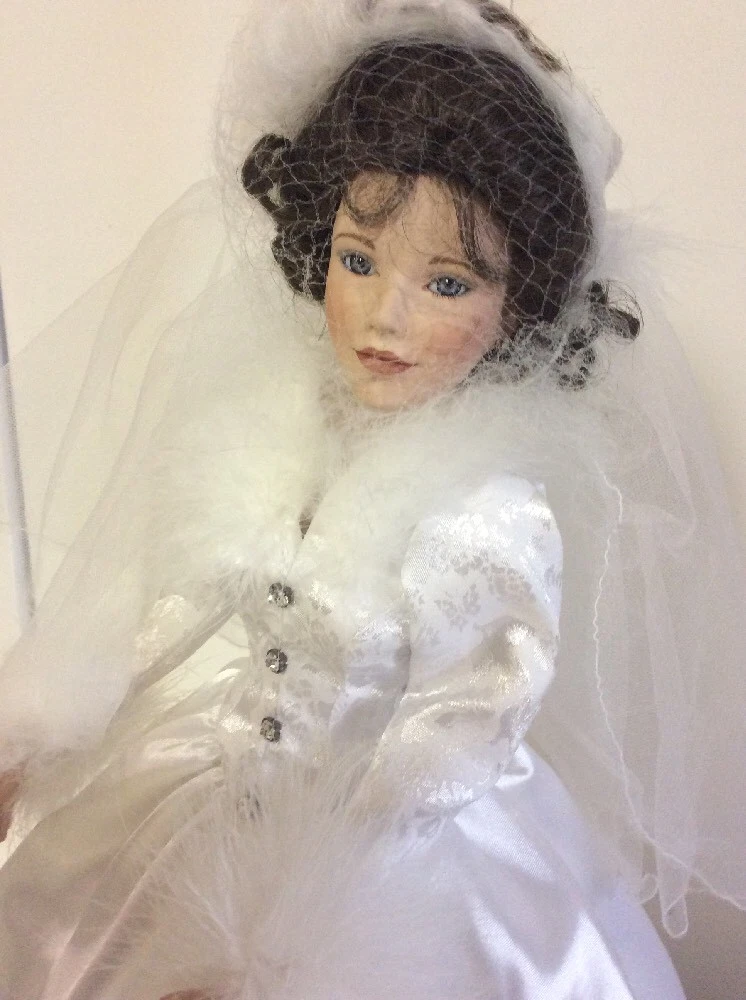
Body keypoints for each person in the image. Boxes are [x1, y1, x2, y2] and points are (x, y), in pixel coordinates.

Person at [0, 1, 744, 997]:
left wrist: (307, 908)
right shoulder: (276, 443)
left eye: (448, 284)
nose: (383, 316)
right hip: (217, 794)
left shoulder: (486, 516)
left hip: (403, 841)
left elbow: (464, 724)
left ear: (519, 304)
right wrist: (60, 736)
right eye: (357, 261)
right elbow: (182, 615)